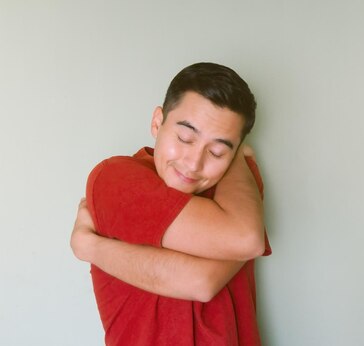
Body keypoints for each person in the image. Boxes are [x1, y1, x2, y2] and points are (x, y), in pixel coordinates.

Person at [70, 62, 271, 345]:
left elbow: (243, 243)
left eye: (216, 151)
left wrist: (92, 247)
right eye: (185, 137)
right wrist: (235, 155)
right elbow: (200, 281)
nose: (193, 163)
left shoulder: (237, 188)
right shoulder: (115, 178)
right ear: (157, 122)